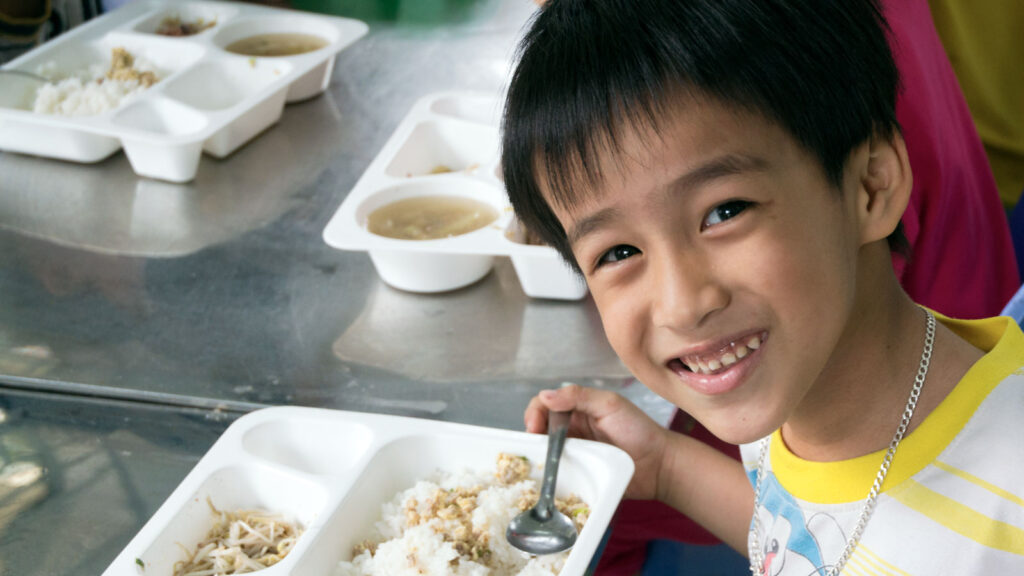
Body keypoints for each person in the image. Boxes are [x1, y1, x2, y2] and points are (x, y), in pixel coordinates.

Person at [501, 1, 1024, 574]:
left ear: (871, 187)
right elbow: (813, 536)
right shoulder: (790, 391)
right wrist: (668, 466)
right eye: (618, 253)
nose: (682, 305)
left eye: (725, 211)